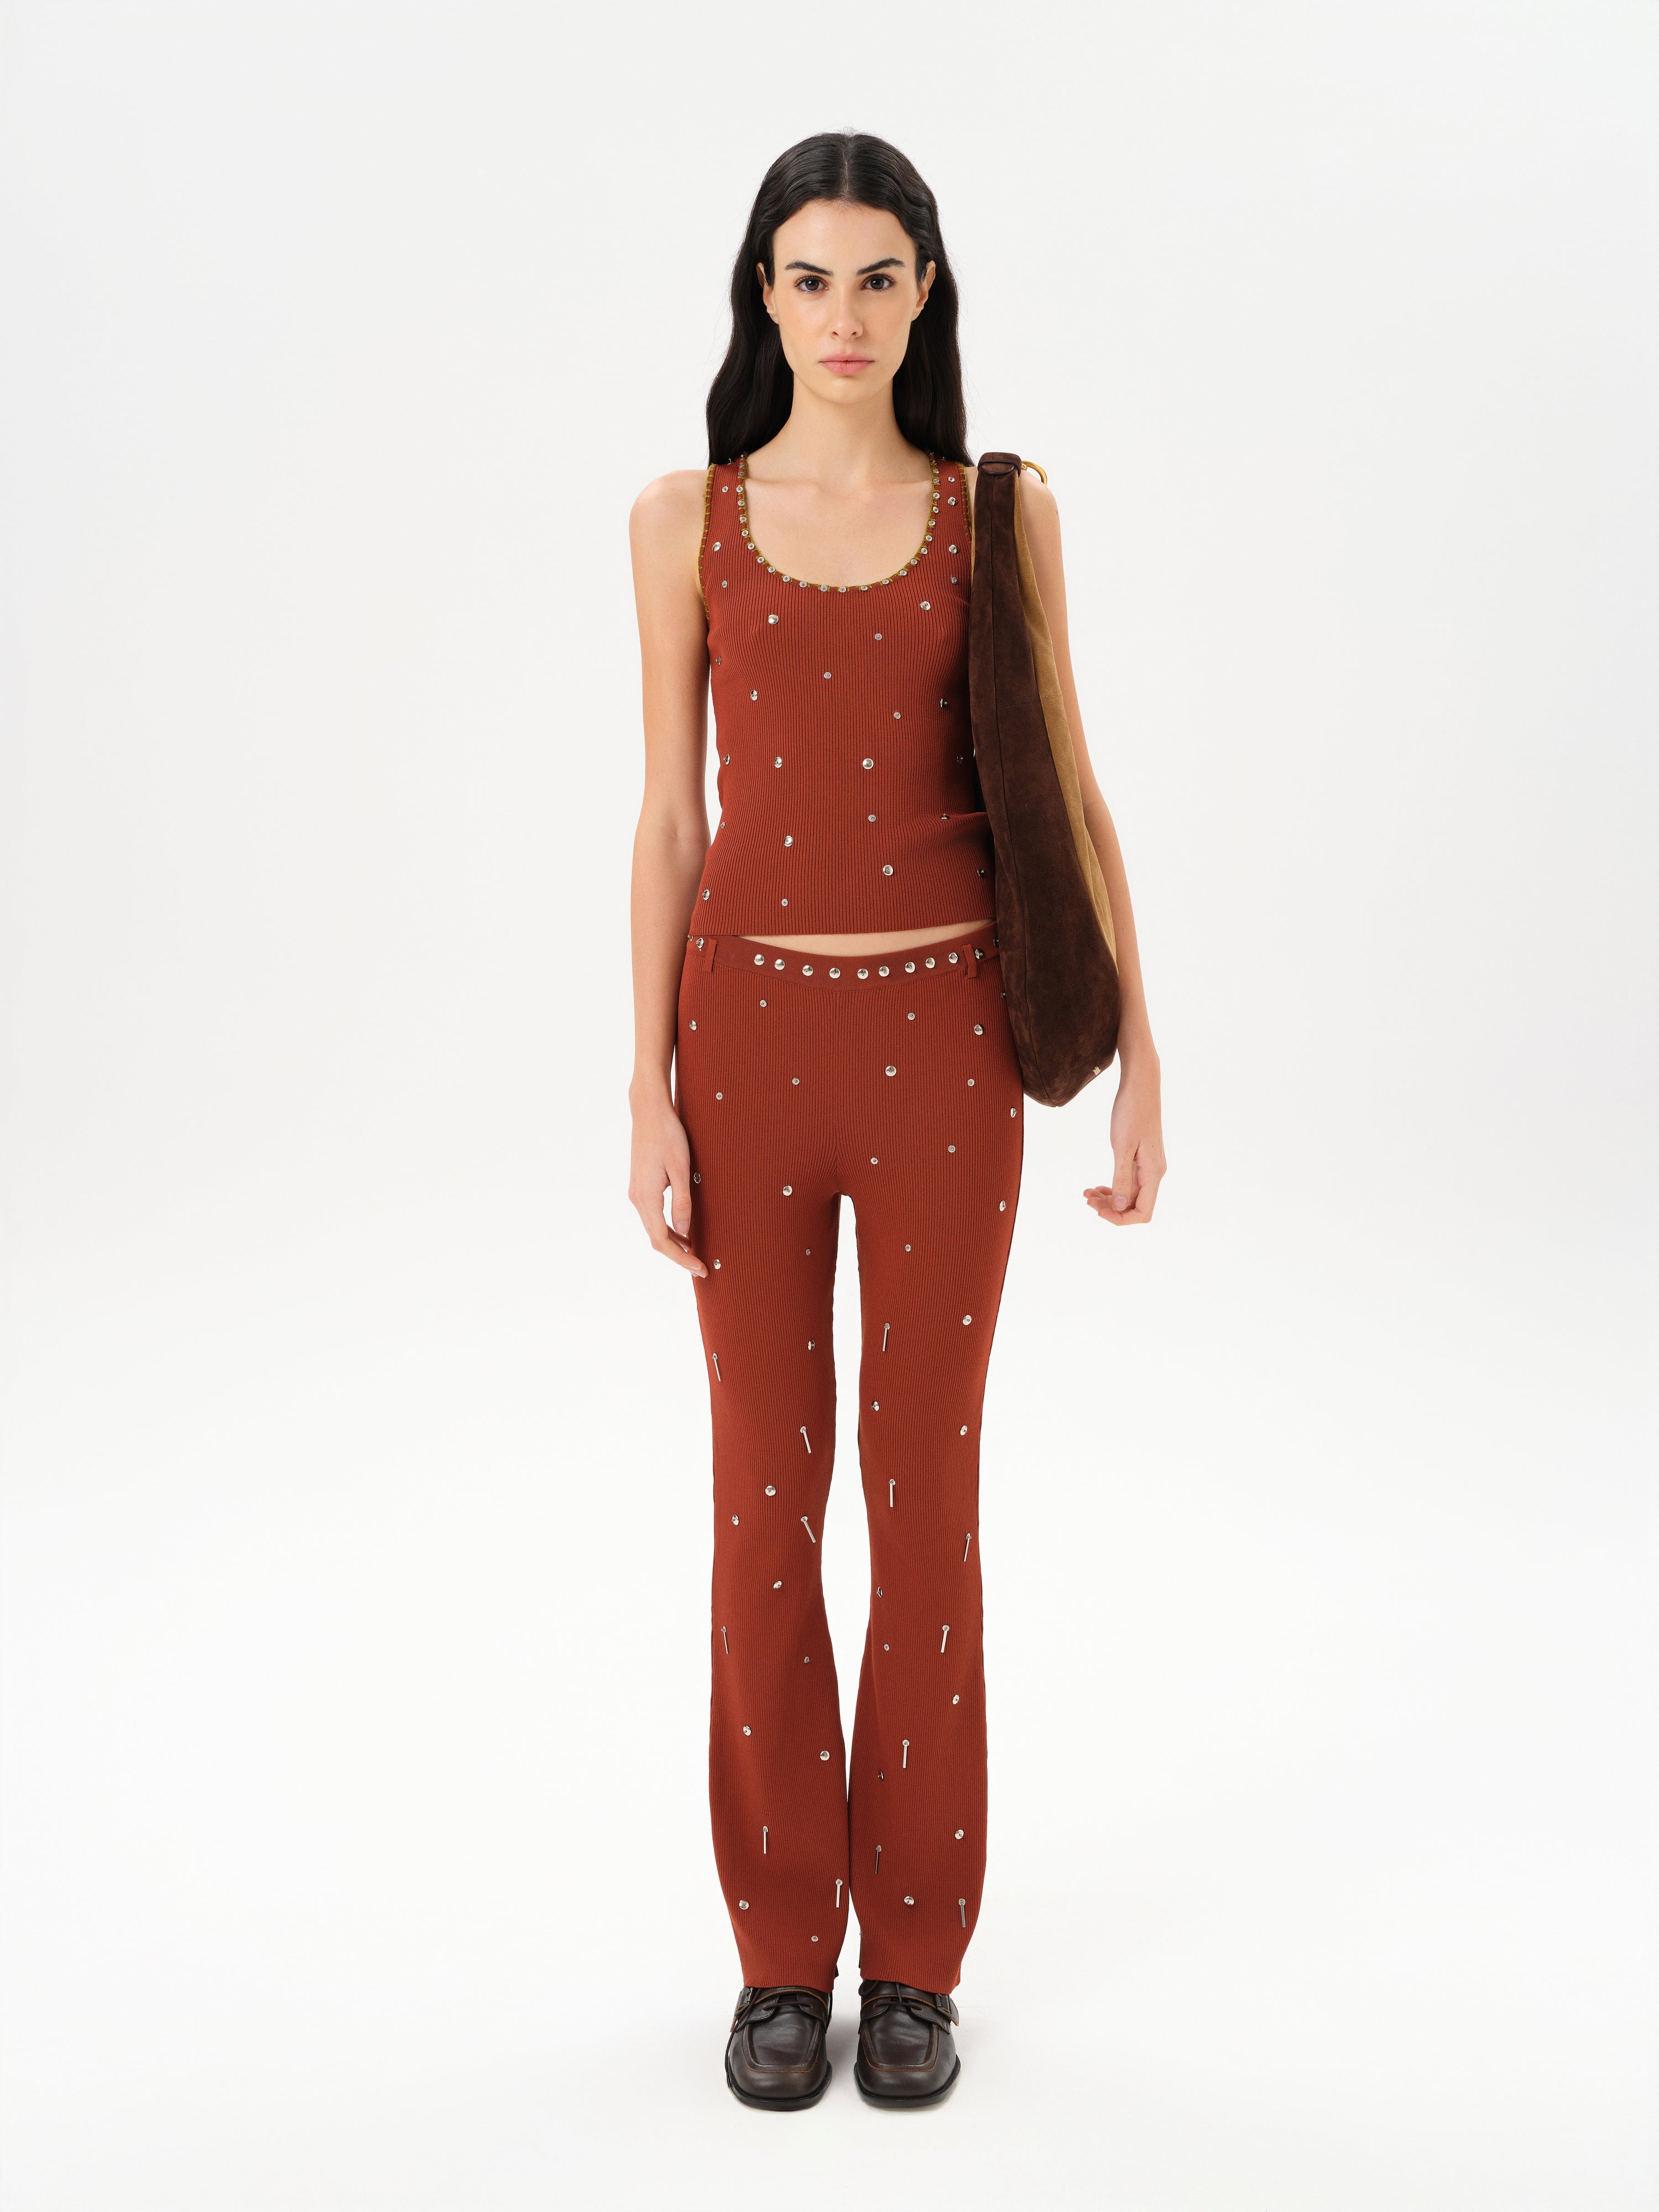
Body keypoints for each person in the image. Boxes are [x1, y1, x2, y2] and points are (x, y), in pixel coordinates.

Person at [627, 132, 1165, 2111]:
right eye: (808, 278)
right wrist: (642, 1081)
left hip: (946, 1048)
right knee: (761, 1507)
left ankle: (916, 1961)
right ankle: (783, 1955)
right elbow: (669, 817)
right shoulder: (682, 518)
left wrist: (1146, 1049)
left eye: (877, 277)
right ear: (761, 298)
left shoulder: (996, 514)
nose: (841, 315)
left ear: (925, 291)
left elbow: (1073, 787)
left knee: (922, 1500)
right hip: (745, 1046)